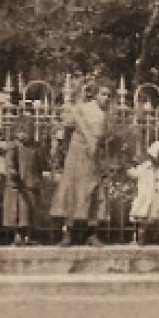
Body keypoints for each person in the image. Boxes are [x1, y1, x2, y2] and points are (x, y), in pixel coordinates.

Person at [49, 85, 115, 247]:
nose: (105, 98)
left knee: (94, 192)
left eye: (108, 95)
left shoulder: (106, 114)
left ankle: (91, 233)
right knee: (72, 191)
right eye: (103, 94)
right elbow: (67, 123)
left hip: (94, 157)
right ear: (95, 95)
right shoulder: (83, 108)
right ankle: (67, 232)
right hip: (77, 153)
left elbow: (106, 136)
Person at [0, 118, 42, 246]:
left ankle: (28, 236)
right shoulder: (13, 147)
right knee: (16, 211)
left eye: (25, 132)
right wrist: (12, 171)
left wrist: (39, 178)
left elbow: (39, 164)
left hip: (30, 183)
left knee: (28, 212)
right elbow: (10, 161)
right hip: (17, 185)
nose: (22, 135)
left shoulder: (35, 147)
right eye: (19, 132)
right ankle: (17, 235)